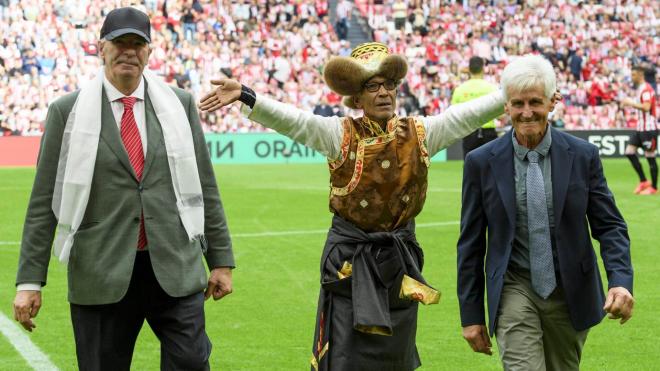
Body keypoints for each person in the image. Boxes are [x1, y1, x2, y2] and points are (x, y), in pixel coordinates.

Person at [199, 42, 506, 370]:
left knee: (396, 358)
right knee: (345, 357)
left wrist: (522, 91)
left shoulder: (421, 133)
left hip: (399, 265)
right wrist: (248, 95)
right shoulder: (338, 134)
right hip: (348, 265)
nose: (384, 92)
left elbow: (468, 115)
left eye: (389, 84)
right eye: (373, 86)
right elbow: (295, 121)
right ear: (356, 99)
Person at [12, 7, 234, 370]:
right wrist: (29, 281)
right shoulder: (65, 112)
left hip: (174, 268)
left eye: (137, 43)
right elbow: (42, 202)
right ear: (102, 48)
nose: (128, 51)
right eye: (119, 42)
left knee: (192, 363)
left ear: (149, 51)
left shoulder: (179, 105)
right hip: (101, 274)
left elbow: (204, 185)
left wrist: (221, 260)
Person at [457, 55, 634, 370]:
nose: (527, 112)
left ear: (553, 101)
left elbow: (609, 226)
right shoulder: (481, 162)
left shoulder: (583, 156)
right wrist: (471, 315)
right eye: (518, 103)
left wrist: (619, 281)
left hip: (570, 292)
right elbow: (470, 243)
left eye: (535, 102)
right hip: (514, 287)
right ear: (506, 107)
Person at [451, 56, 499, 158]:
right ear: (483, 68)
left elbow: (454, 115)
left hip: (469, 131)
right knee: (490, 168)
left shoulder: (460, 90)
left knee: (470, 168)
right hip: (488, 132)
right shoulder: (491, 88)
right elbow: (501, 115)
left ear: (469, 69)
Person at [621, 65, 658, 195]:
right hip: (640, 128)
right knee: (629, 152)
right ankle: (643, 181)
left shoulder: (646, 89)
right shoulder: (640, 89)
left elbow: (647, 107)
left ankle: (653, 187)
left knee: (650, 157)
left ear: (640, 75)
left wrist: (629, 102)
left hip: (649, 128)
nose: (632, 77)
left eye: (634, 75)